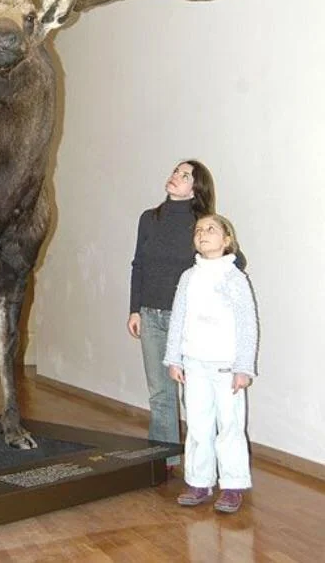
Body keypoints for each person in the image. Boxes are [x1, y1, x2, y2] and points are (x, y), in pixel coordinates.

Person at [164, 214, 258, 514]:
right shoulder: (188, 277)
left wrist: (243, 367)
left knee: (230, 425)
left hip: (227, 368)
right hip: (194, 365)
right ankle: (199, 481)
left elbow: (247, 324)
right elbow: (178, 319)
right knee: (198, 425)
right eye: (198, 230)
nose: (203, 233)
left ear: (227, 240)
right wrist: (174, 358)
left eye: (211, 229)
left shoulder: (235, 278)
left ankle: (232, 485)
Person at [127, 160, 216, 466]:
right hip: (150, 316)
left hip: (187, 322)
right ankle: (165, 460)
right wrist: (135, 310)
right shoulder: (149, 219)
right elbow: (138, 265)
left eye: (185, 175)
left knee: (194, 395)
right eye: (176, 171)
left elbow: (232, 261)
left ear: (196, 188)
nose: (175, 176)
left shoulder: (203, 223)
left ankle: (203, 461)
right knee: (160, 394)